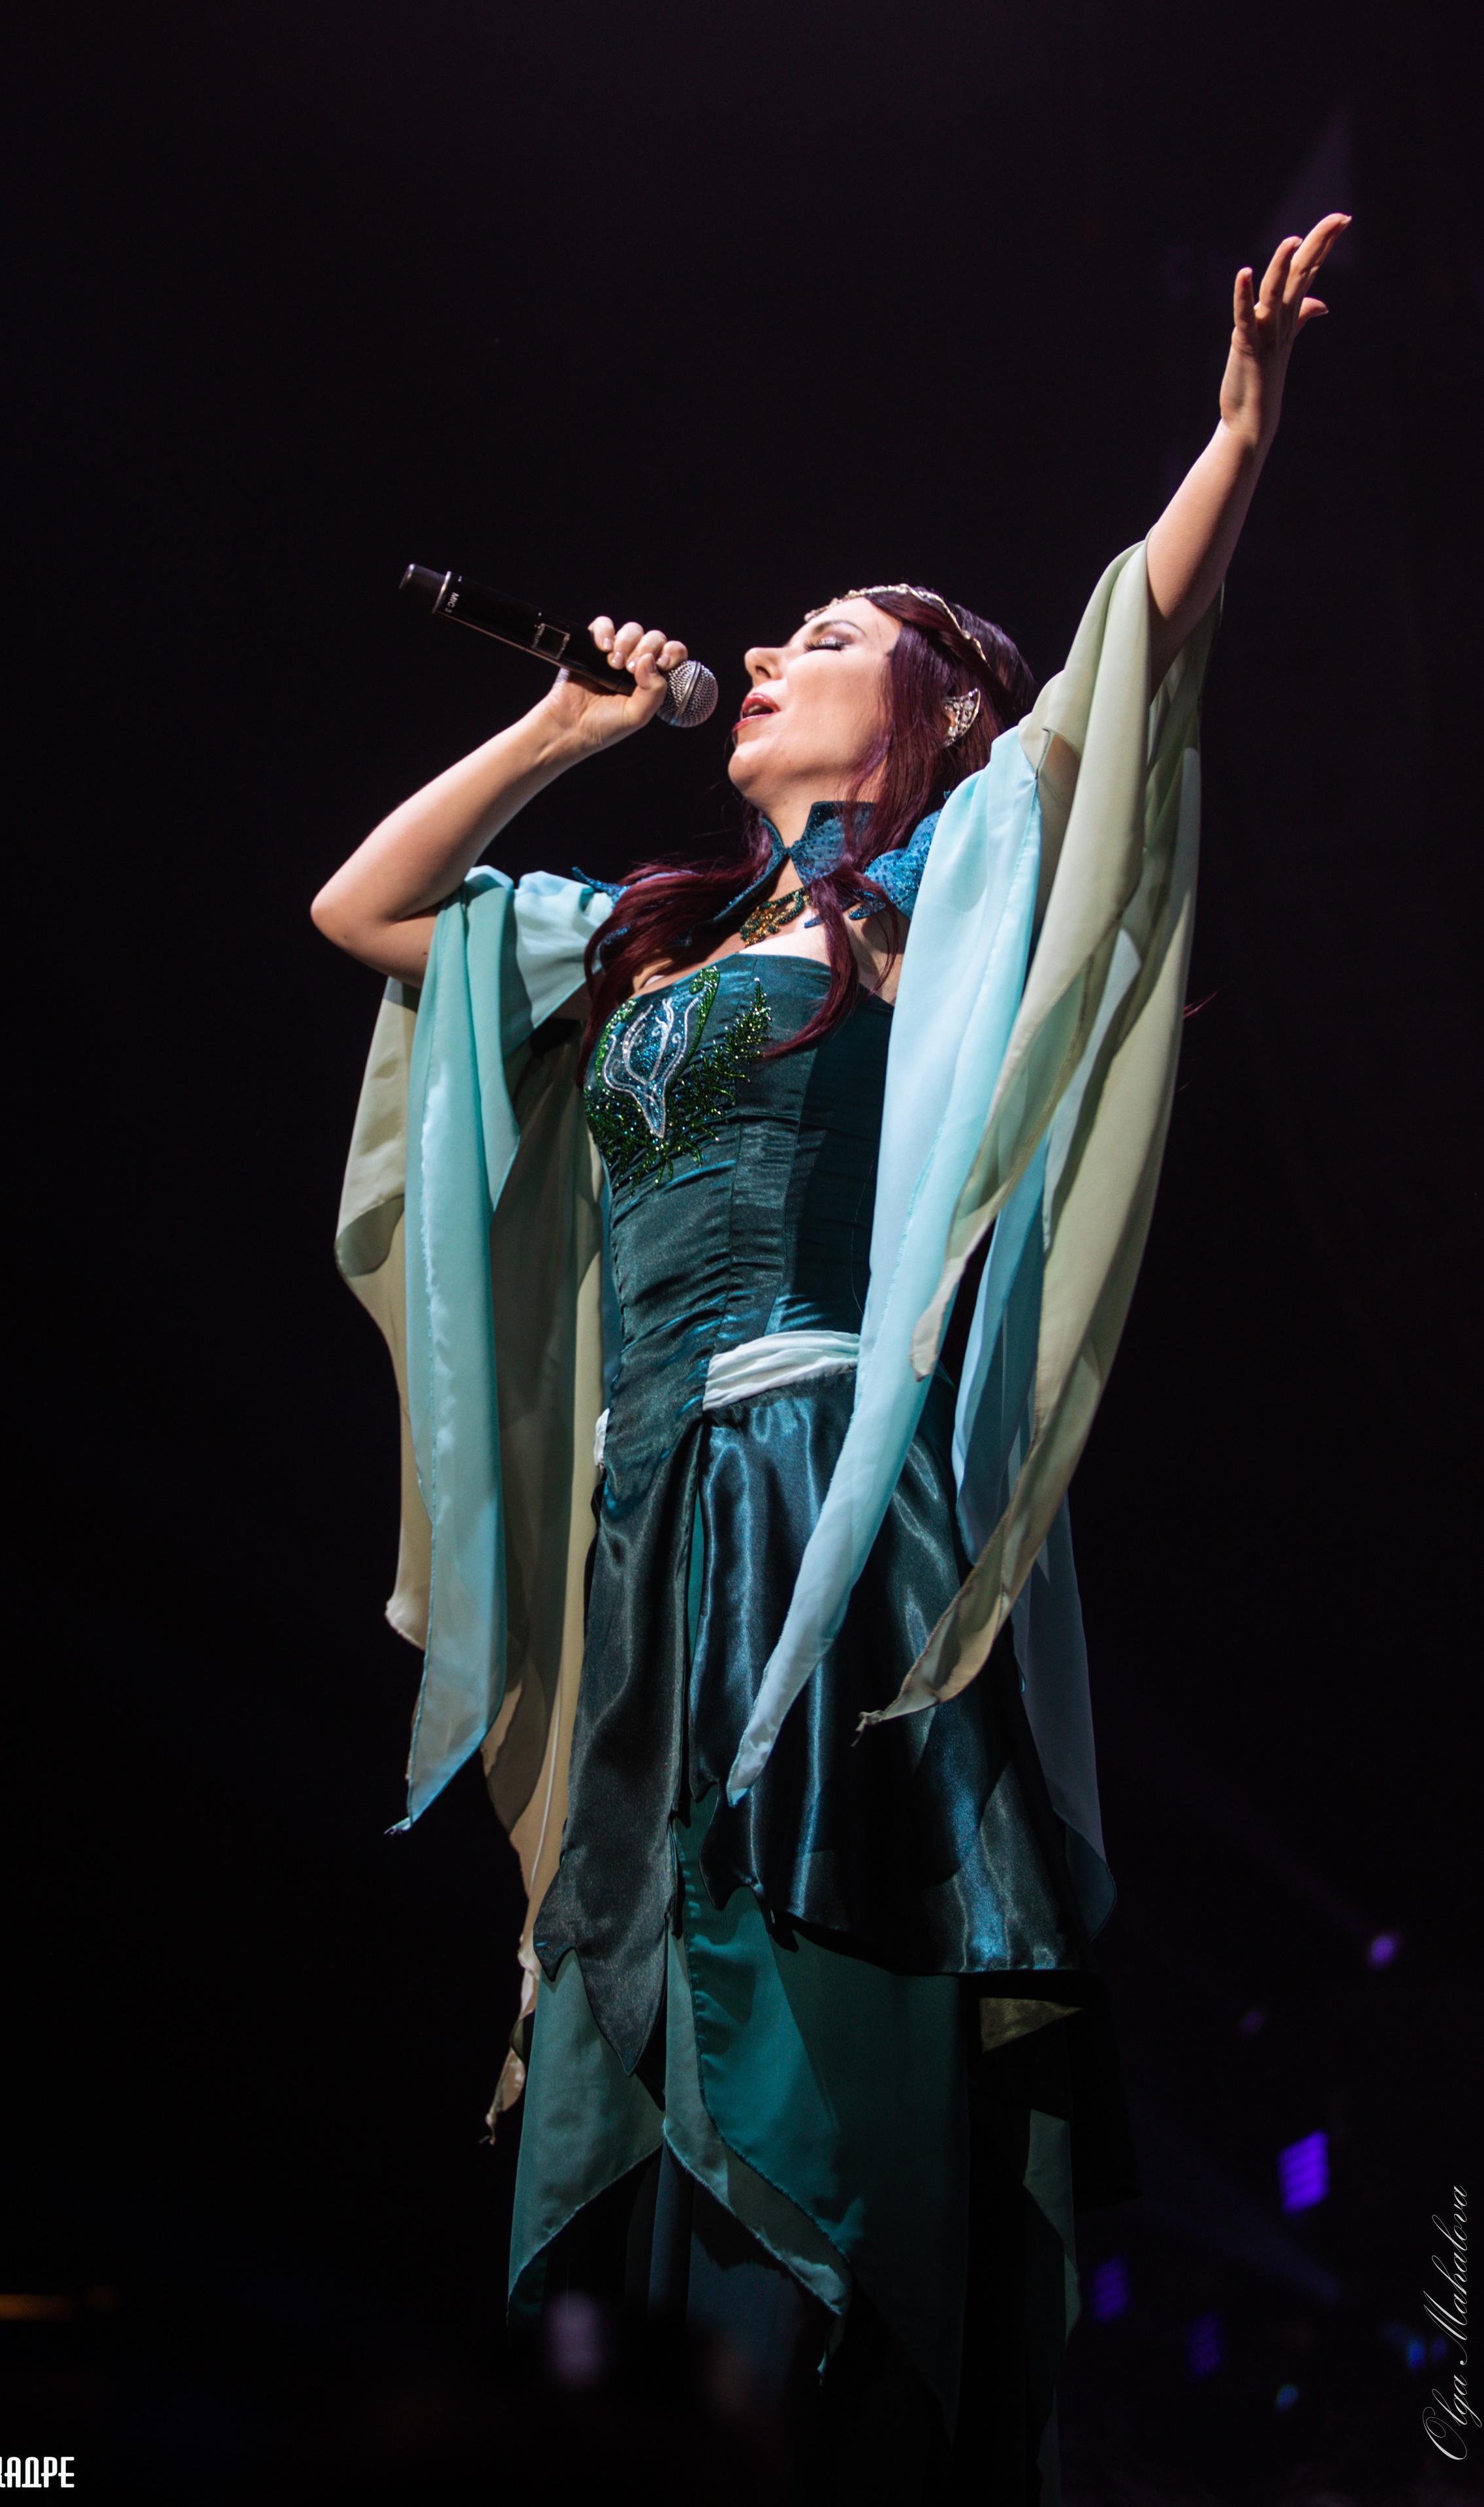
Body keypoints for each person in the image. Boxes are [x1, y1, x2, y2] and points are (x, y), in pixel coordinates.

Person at [313, 218, 1347, 2500]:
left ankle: (855, 2383)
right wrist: (569, 726)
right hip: (647, 1513)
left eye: (834, 637)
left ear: (937, 716)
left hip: (815, 1494)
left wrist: (1240, 436)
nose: (768, 654)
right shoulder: (651, 932)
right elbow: (370, 916)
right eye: (775, 636)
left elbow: (1122, 657)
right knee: (656, 1980)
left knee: (812, 1966)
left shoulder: (941, 901)